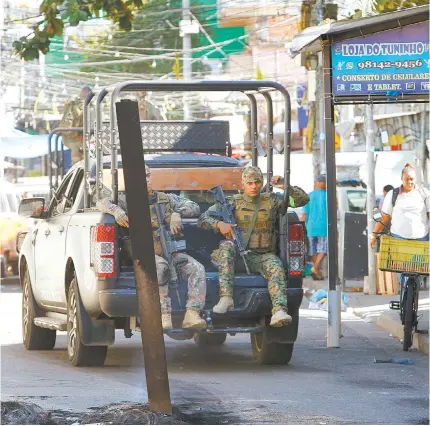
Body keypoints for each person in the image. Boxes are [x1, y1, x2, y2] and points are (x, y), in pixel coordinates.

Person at [96, 165, 207, 331]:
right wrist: (117, 211)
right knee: (160, 268)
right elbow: (101, 202)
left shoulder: (166, 198)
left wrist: (178, 214)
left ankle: (192, 314)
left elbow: (194, 206)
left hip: (170, 251)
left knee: (197, 268)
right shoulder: (126, 200)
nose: (145, 180)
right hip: (146, 254)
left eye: (147, 176)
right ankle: (163, 315)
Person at [197, 166, 309, 327]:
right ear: (243, 184)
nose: (254, 186)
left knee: (276, 266)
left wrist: (286, 186)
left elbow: (302, 200)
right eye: (249, 183)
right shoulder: (232, 202)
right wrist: (220, 224)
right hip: (234, 258)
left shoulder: (271, 201)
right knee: (227, 247)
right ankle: (226, 298)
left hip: (261, 256)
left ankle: (279, 311)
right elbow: (202, 219)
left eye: (257, 182)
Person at [371, 163, 429, 248]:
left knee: (419, 261)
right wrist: (374, 235)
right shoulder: (392, 194)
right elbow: (385, 217)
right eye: (406, 179)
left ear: (415, 179)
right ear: (401, 179)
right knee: (398, 262)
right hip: (398, 240)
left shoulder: (424, 193)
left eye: (412, 179)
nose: (409, 182)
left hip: (421, 240)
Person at [59, 86, 91, 164]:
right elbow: (78, 116)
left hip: (76, 135)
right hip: (77, 135)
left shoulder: (72, 103)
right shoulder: (78, 104)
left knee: (80, 158)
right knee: (78, 158)